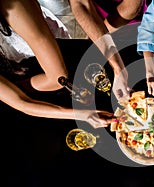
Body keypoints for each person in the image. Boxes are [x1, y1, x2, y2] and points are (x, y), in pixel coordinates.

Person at [0, 0, 115, 128]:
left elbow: (57, 78)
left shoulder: (12, 5)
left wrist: (17, 88)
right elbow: (21, 103)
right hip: (33, 79)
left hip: (63, 62)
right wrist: (83, 115)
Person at [68, 0, 148, 101]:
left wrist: (99, 33)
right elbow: (80, 3)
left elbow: (132, 7)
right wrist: (118, 68)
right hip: (103, 25)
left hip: (135, 27)